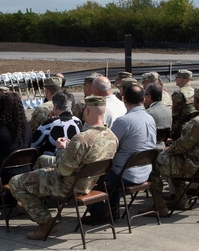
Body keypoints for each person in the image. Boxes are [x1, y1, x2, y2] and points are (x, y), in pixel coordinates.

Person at [9, 96, 119, 240]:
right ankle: (33, 202)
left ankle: (46, 222)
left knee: (15, 182)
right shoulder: (112, 137)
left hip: (67, 185)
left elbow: (63, 170)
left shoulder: (81, 139)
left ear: (86, 111)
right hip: (88, 181)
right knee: (42, 160)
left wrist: (61, 149)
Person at [148, 87, 199, 217]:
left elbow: (181, 146)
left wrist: (166, 151)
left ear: (197, 101)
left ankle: (159, 206)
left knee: (155, 164)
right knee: (172, 161)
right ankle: (181, 200)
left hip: (198, 167)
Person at [87, 83, 157, 224]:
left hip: (127, 174)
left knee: (92, 178)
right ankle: (113, 210)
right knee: (113, 171)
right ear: (143, 100)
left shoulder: (124, 122)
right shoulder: (150, 119)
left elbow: (108, 146)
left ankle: (101, 211)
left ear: (124, 100)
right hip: (145, 171)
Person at [31, 90, 82, 155]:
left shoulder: (49, 123)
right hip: (72, 158)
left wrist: (49, 120)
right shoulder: (78, 121)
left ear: (55, 107)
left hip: (53, 161)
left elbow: (34, 143)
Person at [170, 69, 196, 139]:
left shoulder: (179, 93)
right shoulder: (194, 91)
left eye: (177, 78)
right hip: (192, 124)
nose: (175, 79)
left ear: (183, 79)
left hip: (180, 126)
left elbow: (174, 113)